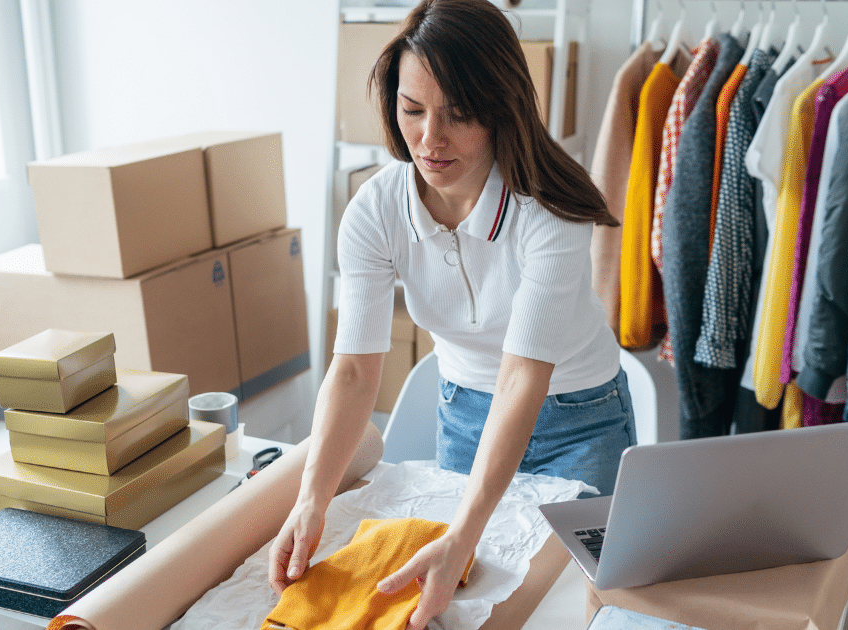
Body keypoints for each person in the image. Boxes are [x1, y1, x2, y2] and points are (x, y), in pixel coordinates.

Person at [268, 0, 634, 627]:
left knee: (572, 608)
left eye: (458, 116)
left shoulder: (547, 211)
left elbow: (524, 374)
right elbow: (355, 371)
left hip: (579, 420)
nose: (430, 140)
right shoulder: (375, 210)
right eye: (412, 111)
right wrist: (310, 499)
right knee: (461, 599)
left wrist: (465, 529)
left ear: (500, 110)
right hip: (465, 414)